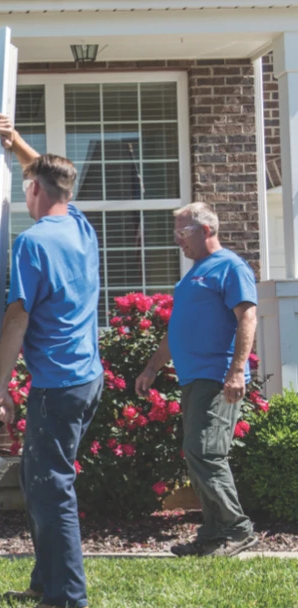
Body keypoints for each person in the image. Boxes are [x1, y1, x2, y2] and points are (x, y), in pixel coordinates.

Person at [0, 115, 102, 608]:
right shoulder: (80, 225)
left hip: (57, 385)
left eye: (26, 187)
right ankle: (44, 583)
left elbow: (17, 319)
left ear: (32, 191)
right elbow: (49, 174)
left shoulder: (32, 243)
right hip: (86, 378)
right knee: (39, 483)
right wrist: (14, 141)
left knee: (51, 490)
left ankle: (67, 598)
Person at [135, 202, 259, 557]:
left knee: (206, 451)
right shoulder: (192, 275)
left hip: (217, 377)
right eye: (175, 233)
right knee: (196, 452)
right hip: (193, 378)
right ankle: (212, 535)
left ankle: (237, 529)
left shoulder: (230, 267)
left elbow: (247, 317)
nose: (177, 241)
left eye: (183, 232)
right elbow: (176, 331)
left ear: (207, 230)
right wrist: (151, 368)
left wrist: (236, 371)